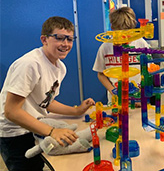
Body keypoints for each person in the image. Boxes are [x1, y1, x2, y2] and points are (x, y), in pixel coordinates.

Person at [0, 16, 95, 171]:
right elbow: (11, 111)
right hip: (14, 133)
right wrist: (52, 131)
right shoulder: (30, 64)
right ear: (44, 39)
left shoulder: (60, 67)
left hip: (35, 126)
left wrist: (76, 110)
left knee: (39, 164)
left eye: (70, 39)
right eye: (59, 38)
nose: (66, 44)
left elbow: (46, 101)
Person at [93, 7, 149, 104]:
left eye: (128, 33)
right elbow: (101, 74)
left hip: (138, 99)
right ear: (112, 28)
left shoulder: (141, 44)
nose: (124, 38)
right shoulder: (105, 47)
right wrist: (113, 91)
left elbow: (147, 72)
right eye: (120, 33)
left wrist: (142, 93)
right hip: (115, 100)